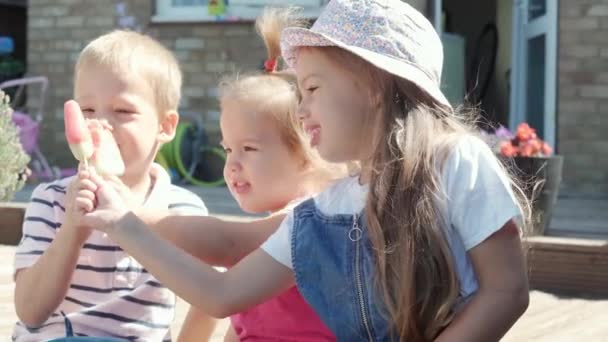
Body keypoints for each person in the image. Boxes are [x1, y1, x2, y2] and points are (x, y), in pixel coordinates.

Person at [80, 1, 530, 341]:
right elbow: (222, 294)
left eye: (312, 87)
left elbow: (506, 292)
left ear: (374, 83)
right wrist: (121, 222)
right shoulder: (320, 214)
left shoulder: (457, 162)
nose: (303, 108)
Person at [12, 30, 214, 341]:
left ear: (165, 126)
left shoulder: (182, 211)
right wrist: (71, 231)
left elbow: (210, 300)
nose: (100, 124)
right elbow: (30, 313)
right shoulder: (49, 201)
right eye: (88, 110)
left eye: (123, 111)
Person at [177, 8, 339, 342]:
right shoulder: (261, 236)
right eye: (227, 149)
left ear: (308, 150)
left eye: (248, 149)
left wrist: (129, 219)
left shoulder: (312, 218)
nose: (232, 164)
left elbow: (224, 243)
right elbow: (239, 327)